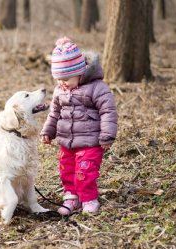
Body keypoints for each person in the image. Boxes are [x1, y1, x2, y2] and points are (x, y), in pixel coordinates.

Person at [40, 37, 118, 215]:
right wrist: (48, 131)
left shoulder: (97, 88)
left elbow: (108, 111)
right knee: (66, 171)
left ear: (80, 72)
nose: (62, 82)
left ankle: (89, 199)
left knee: (85, 172)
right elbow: (54, 113)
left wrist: (107, 135)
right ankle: (71, 198)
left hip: (90, 142)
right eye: (58, 78)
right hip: (66, 142)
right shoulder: (60, 90)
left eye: (66, 78)